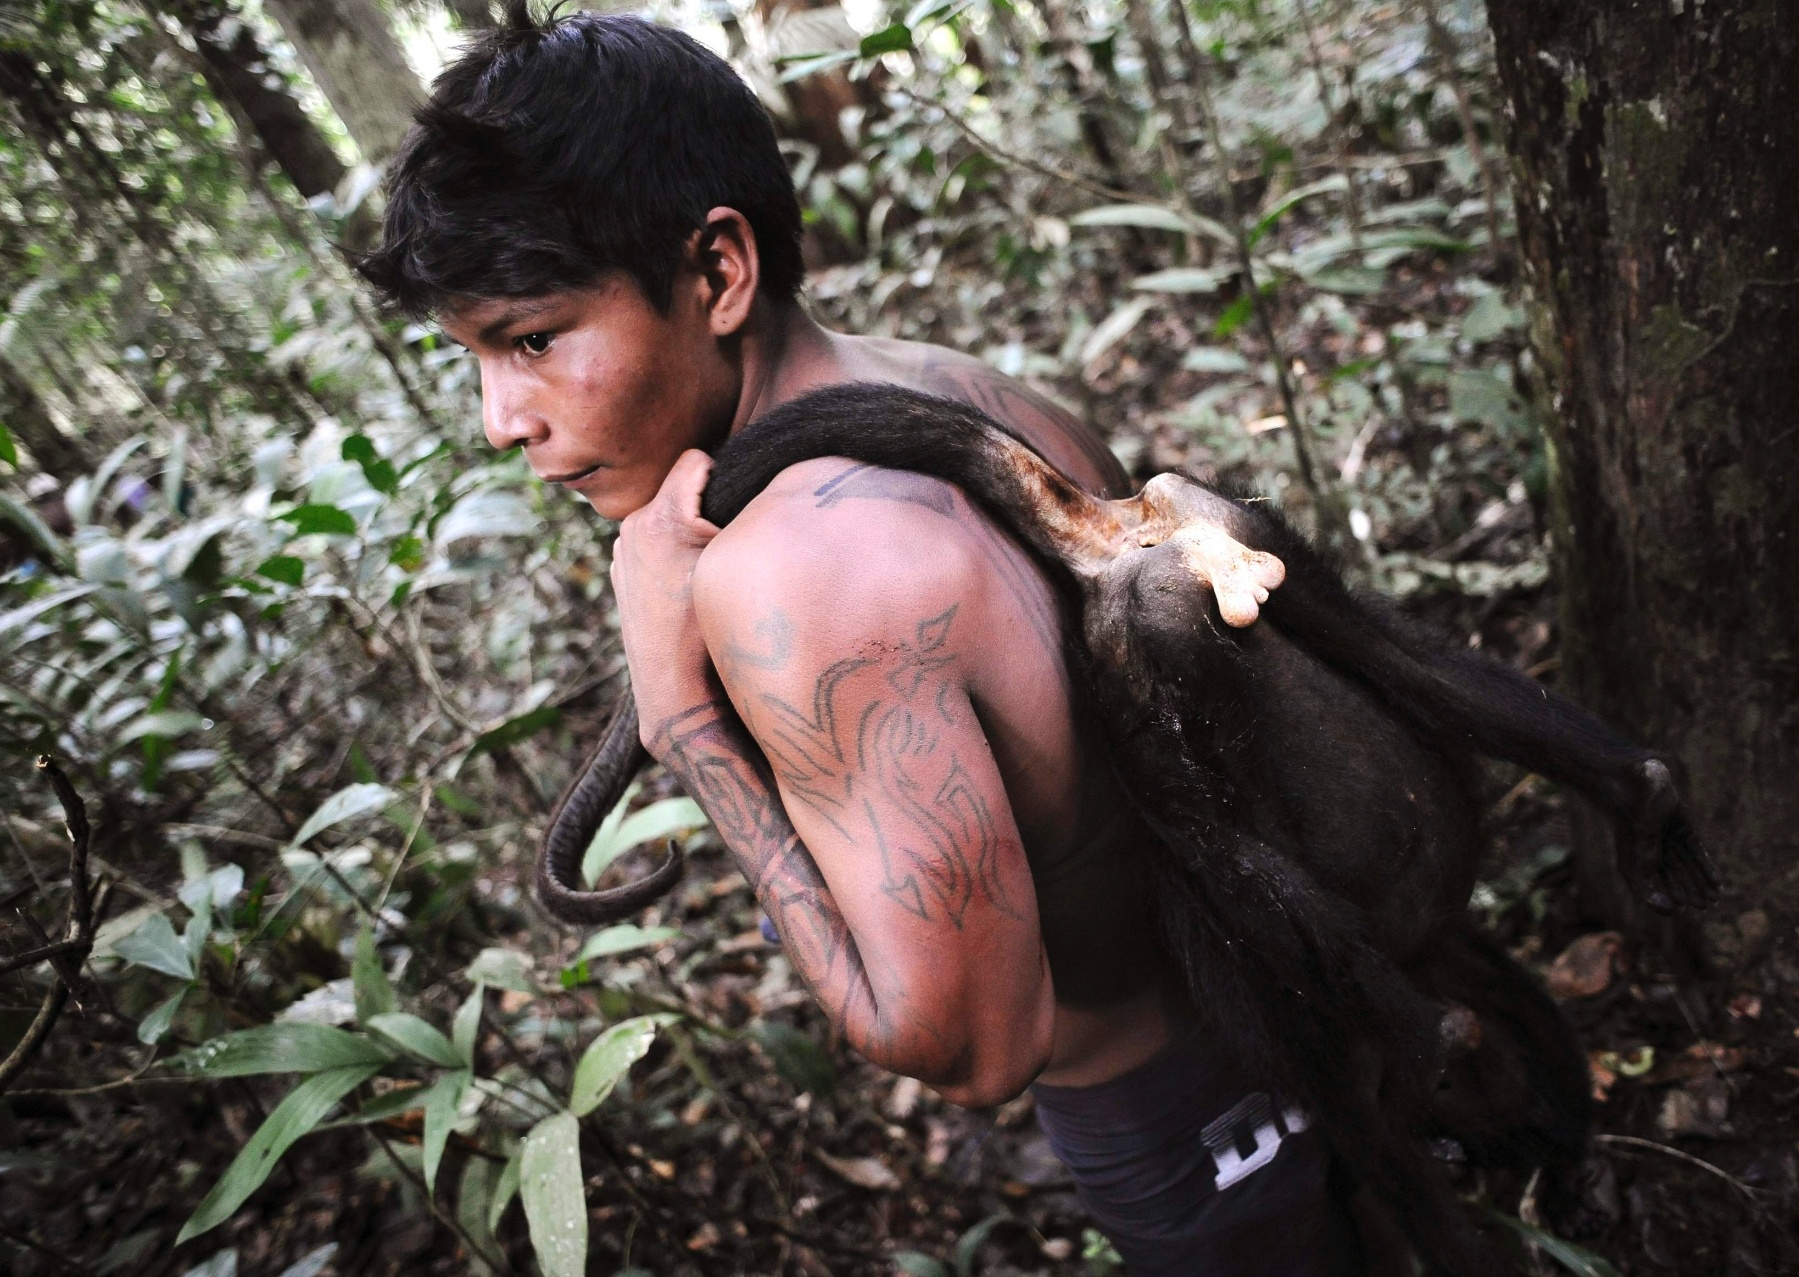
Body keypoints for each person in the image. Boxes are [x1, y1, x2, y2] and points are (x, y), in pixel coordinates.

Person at [358, 5, 1358, 1272]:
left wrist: (680, 723)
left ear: (719, 272)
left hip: (1187, 1118)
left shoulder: (798, 574)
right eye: (475, 359)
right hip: (1299, 982)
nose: (503, 418)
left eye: (533, 340)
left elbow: (971, 1048)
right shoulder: (948, 387)